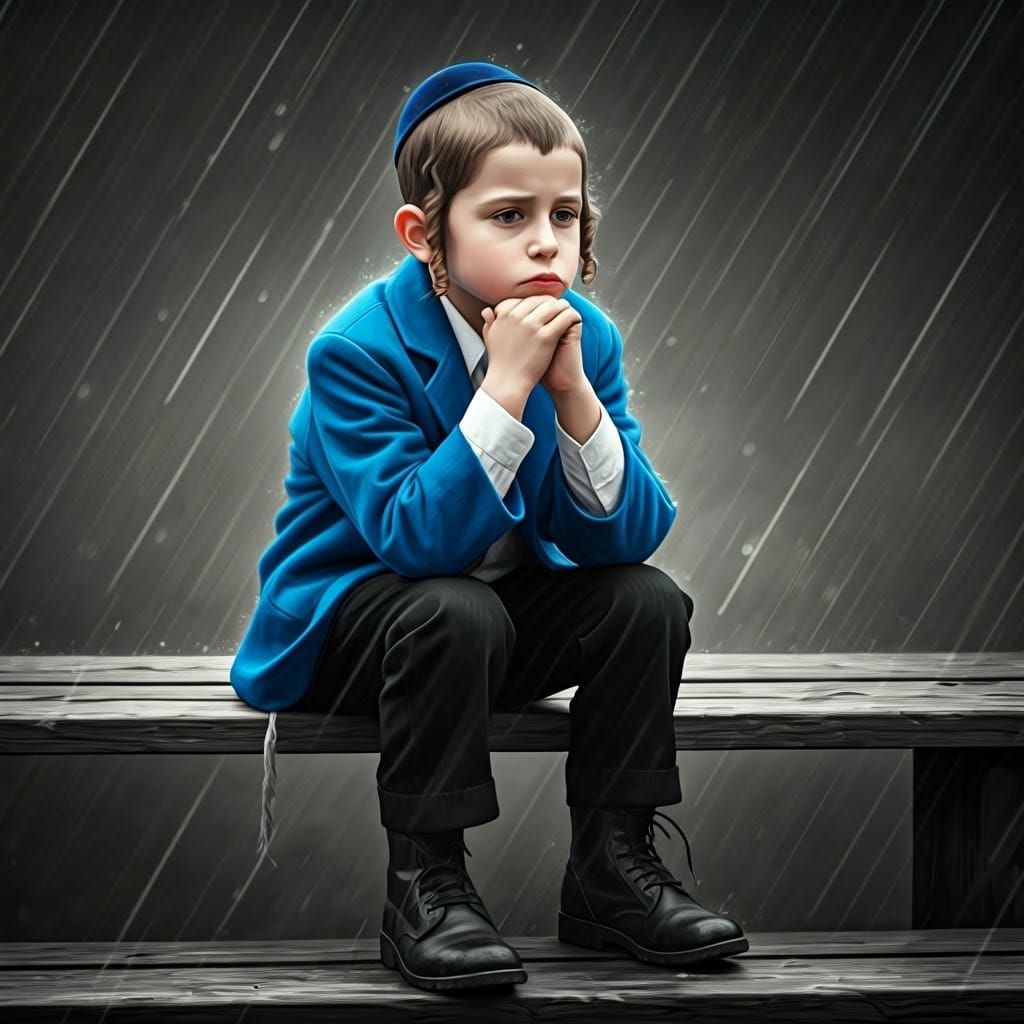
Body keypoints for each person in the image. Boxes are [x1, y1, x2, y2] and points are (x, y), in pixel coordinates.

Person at [229, 61, 747, 992]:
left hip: (495, 620)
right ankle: (426, 882)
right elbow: (417, 542)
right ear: (425, 233)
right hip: (364, 627)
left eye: (566, 215)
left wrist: (573, 395)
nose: (546, 241)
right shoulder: (355, 351)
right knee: (450, 608)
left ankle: (612, 871)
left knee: (644, 603)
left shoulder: (583, 334)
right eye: (508, 215)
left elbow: (628, 536)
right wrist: (505, 385)